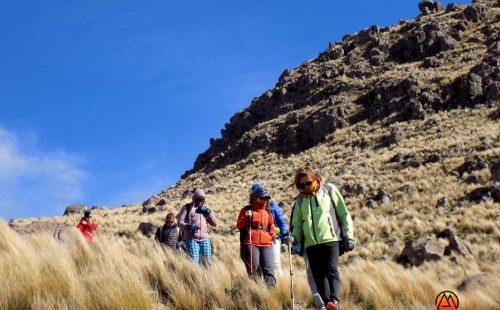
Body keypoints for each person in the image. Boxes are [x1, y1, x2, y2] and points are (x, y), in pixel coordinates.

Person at [290, 166, 355, 310]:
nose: (305, 187)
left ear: (315, 179)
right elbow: (297, 225)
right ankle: (327, 305)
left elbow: (344, 214)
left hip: (330, 239)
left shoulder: (329, 190)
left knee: (331, 270)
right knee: (319, 277)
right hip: (311, 244)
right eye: (301, 185)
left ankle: (335, 301)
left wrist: (349, 236)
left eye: (308, 183)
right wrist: (293, 239)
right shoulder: (300, 201)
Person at [237, 186, 276, 288]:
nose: (265, 200)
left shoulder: (268, 212)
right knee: (254, 272)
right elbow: (239, 225)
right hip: (250, 243)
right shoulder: (246, 210)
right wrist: (246, 217)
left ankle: (271, 295)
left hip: (267, 244)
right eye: (262, 198)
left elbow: (271, 226)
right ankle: (256, 294)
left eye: (267, 198)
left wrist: (271, 236)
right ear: (255, 197)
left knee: (269, 270)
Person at [250, 183, 289, 279]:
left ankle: (279, 287)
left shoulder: (273, 207)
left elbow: (281, 222)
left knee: (275, 263)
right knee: (259, 264)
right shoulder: (252, 209)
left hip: (274, 238)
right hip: (258, 240)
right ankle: (264, 287)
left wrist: (284, 239)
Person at [177, 189, 217, 264]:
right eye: (198, 199)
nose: (200, 201)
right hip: (191, 239)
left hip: (205, 239)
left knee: (206, 263)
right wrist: (188, 226)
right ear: (194, 198)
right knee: (194, 263)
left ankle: (205, 276)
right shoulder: (187, 207)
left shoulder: (205, 209)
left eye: (202, 200)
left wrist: (209, 213)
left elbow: (215, 224)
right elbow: (179, 223)